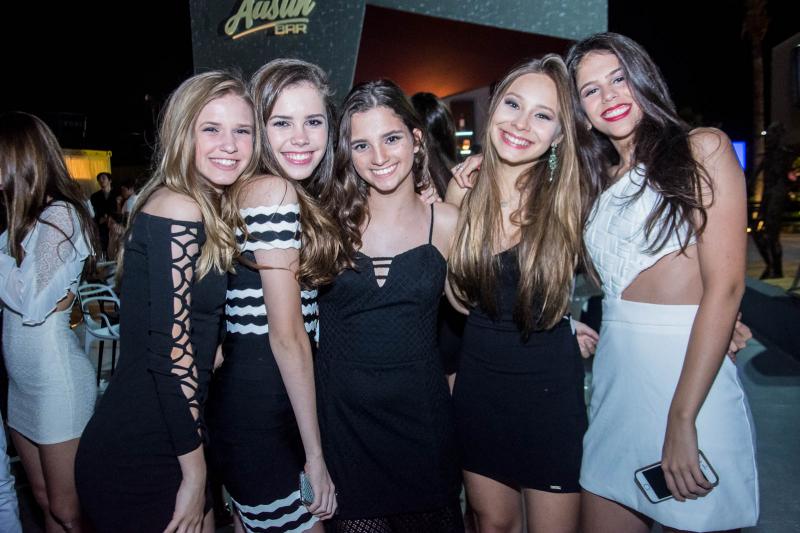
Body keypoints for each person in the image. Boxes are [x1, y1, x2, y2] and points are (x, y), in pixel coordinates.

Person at [566, 33, 758, 532]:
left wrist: (682, 419)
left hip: (690, 384)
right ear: (582, 112)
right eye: (591, 90)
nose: (609, 96)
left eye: (619, 78)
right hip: (615, 383)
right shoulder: (596, 183)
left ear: (644, 78)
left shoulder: (702, 148)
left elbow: (725, 288)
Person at [74, 70, 258, 533]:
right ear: (182, 134)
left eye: (242, 131)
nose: (230, 145)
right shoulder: (179, 206)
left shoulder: (204, 206)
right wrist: (194, 474)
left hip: (178, 434)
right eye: (211, 129)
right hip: (145, 447)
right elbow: (172, 355)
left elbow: (199, 342)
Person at [445, 55, 589, 533]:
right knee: (492, 524)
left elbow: (635, 265)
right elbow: (455, 299)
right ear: (493, 109)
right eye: (513, 104)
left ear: (560, 135)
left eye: (542, 115)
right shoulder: (462, 194)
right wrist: (452, 202)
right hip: (479, 387)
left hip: (549, 396)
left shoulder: (570, 200)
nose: (521, 124)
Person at [315, 79, 463, 531]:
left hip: (423, 426)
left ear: (416, 140)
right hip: (345, 429)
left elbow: (480, 310)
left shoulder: (448, 222)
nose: (378, 157)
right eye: (362, 145)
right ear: (347, 152)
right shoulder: (325, 224)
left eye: (392, 138)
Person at [206, 59, 341, 533]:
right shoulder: (273, 192)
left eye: (313, 121)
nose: (301, 138)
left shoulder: (249, 190)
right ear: (259, 129)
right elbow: (287, 336)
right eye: (282, 122)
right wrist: (315, 455)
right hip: (264, 413)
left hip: (250, 406)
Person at [0, 111, 98, 533]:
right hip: (21, 382)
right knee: (43, 500)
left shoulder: (61, 215)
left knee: (68, 509)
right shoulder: (18, 221)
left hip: (55, 380)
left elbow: (32, 302)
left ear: (19, 159)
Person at [89, 171, 116, 256]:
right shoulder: (94, 196)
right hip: (101, 227)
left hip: (115, 226)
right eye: (99, 179)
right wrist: (100, 219)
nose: (101, 180)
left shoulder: (117, 194)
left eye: (103, 178)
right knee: (103, 250)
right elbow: (92, 212)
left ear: (110, 180)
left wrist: (110, 218)